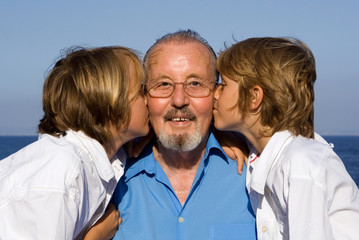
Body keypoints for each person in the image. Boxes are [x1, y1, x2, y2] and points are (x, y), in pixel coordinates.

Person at [109, 29, 256, 240]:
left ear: (216, 93)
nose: (179, 100)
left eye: (195, 84)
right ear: (144, 96)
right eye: (164, 84)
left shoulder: (256, 174)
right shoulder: (110, 179)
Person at [213, 37, 359, 239]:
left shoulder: (300, 164)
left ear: (254, 97)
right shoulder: (267, 152)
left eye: (223, 85)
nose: (214, 93)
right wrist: (220, 134)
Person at [0, 46, 149, 240]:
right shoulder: (62, 173)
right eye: (141, 90)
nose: (149, 100)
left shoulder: (90, 157)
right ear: (111, 103)